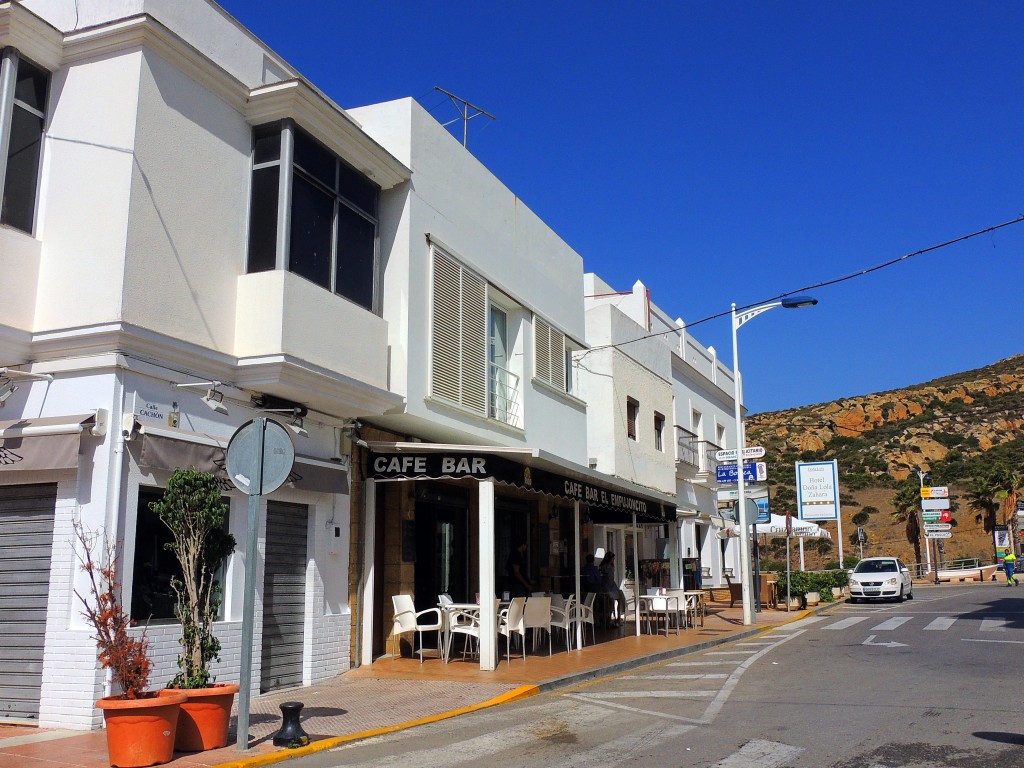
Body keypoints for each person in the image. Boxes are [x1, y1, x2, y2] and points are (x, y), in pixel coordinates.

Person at [599, 551, 627, 624]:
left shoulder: (611, 565)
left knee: (619, 599)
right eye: (612, 558)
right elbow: (602, 575)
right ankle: (609, 617)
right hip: (607, 585)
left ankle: (618, 617)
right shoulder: (604, 566)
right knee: (610, 601)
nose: (613, 560)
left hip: (612, 584)